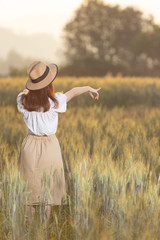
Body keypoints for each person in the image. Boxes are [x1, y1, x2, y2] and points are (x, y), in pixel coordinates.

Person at [17, 61, 101, 223]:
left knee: (28, 189)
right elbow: (74, 91)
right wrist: (89, 88)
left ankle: (30, 231)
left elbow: (26, 92)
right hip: (50, 147)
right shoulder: (55, 101)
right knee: (46, 193)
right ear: (49, 83)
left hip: (29, 146)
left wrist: (33, 87)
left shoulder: (22, 100)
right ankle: (42, 231)